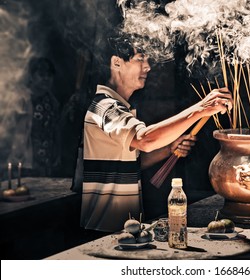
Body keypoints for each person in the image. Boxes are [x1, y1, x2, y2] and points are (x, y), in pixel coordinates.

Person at [80, 32, 233, 232]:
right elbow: (145, 139)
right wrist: (201, 108)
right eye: (140, 59)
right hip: (104, 229)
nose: (148, 66)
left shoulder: (121, 108)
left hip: (126, 229)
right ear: (116, 62)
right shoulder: (105, 107)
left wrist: (168, 148)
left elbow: (133, 161)